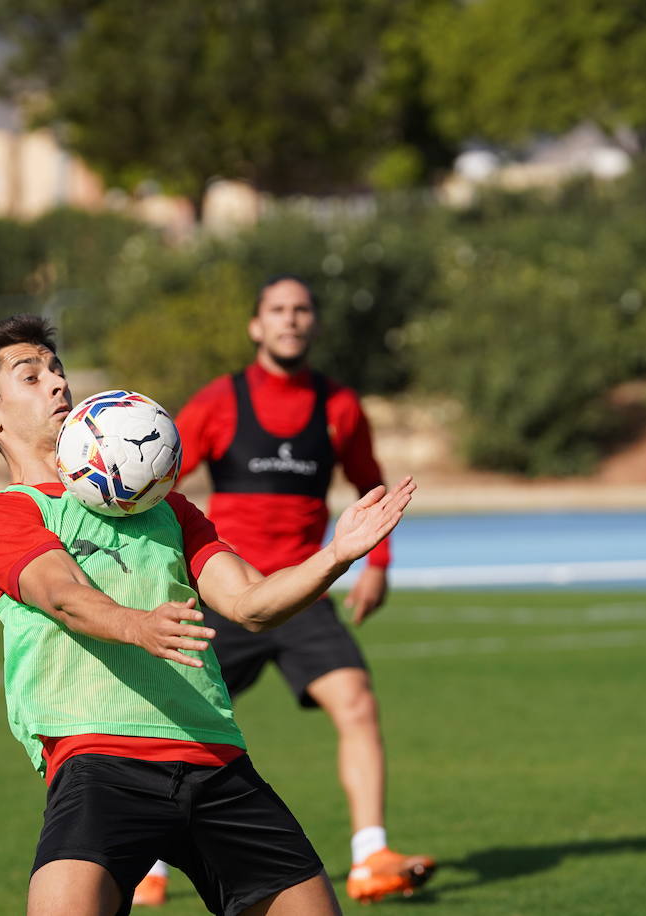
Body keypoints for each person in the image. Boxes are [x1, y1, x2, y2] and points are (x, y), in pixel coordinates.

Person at [0, 314, 415, 916]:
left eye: (58, 370)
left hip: (215, 759)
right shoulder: (7, 515)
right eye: (32, 376)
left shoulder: (169, 509)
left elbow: (251, 605)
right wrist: (137, 625)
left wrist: (336, 555)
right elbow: (62, 594)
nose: (58, 385)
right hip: (99, 763)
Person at [135, 276, 433, 907]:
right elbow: (154, 479)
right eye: (277, 310)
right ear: (256, 326)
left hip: (304, 595)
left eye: (301, 310)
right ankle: (151, 864)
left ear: (314, 324)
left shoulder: (339, 407)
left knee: (355, 701)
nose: (290, 320)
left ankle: (371, 855)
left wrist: (377, 562)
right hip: (226, 592)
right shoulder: (218, 401)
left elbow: (369, 483)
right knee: (179, 724)